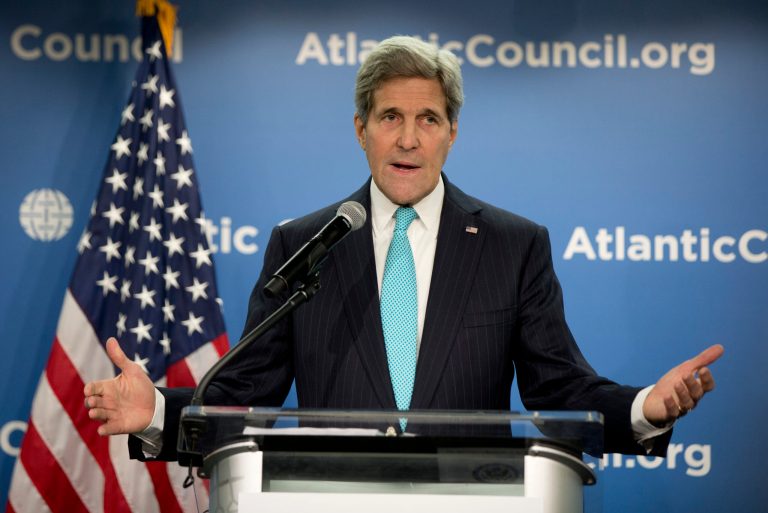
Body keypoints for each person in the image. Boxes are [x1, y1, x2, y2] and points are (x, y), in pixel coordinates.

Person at [84, 35, 723, 460]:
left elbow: (558, 389)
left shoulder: (513, 245)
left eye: (428, 120)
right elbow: (245, 393)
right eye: (391, 117)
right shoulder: (303, 244)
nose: (408, 139)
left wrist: (644, 409)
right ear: (361, 131)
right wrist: (157, 417)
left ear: (452, 135)